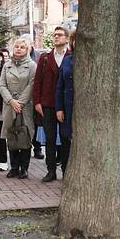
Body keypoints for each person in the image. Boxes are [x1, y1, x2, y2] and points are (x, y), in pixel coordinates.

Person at [34, 26, 71, 181]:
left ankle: (66, 170)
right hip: (48, 104)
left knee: (65, 138)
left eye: (60, 35)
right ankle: (50, 170)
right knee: (49, 138)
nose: (56, 37)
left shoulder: (72, 56)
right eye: (55, 35)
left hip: (66, 105)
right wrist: (37, 102)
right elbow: (37, 82)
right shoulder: (45, 58)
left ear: (67, 38)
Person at [2, 37, 38, 178]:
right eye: (16, 46)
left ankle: (24, 168)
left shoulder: (32, 65)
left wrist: (20, 103)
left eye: (22, 47)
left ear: (27, 49)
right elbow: (2, 85)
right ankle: (14, 167)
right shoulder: (7, 65)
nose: (18, 49)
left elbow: (32, 85)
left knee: (25, 135)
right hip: (10, 106)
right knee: (11, 135)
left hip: (25, 106)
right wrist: (11, 101)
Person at [56, 31, 76, 165]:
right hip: (67, 106)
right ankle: (65, 169)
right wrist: (59, 108)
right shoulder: (68, 60)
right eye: (75, 40)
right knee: (65, 138)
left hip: (83, 108)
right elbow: (59, 86)